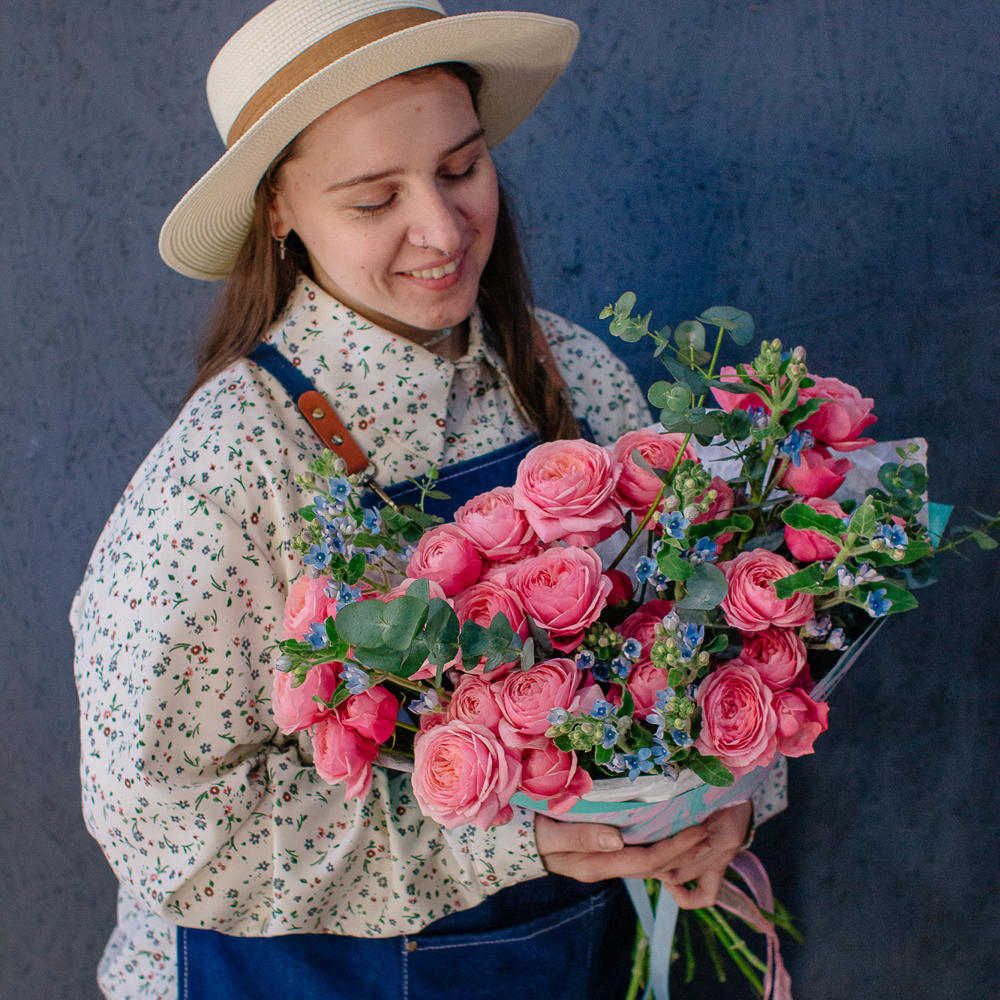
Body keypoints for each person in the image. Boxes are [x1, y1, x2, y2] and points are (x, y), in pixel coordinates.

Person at [72, 2, 785, 997]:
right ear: (279, 210)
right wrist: (506, 836)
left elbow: (689, 638)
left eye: (459, 168)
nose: (441, 229)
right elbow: (168, 829)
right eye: (372, 199)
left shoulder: (572, 372)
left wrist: (723, 792)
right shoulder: (226, 475)